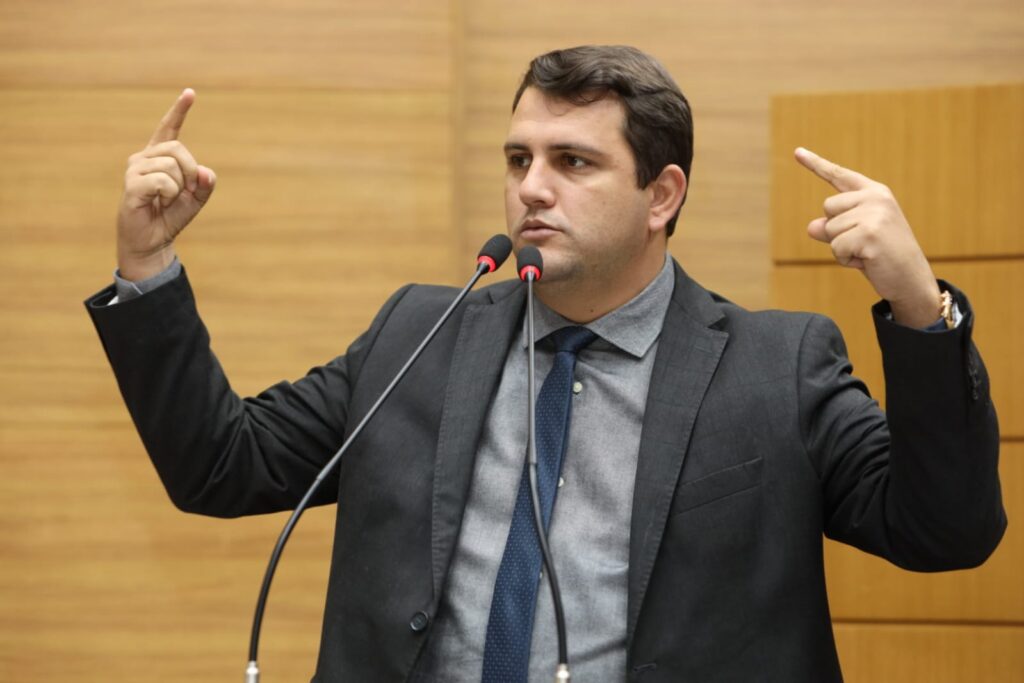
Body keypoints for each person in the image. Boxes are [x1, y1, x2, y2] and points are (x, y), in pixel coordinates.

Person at [86, 45, 1004, 682]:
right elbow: (222, 464)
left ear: (662, 194)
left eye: (573, 161)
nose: (531, 187)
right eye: (518, 157)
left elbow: (946, 532)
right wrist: (147, 268)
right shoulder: (419, 334)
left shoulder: (778, 364)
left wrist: (920, 308)